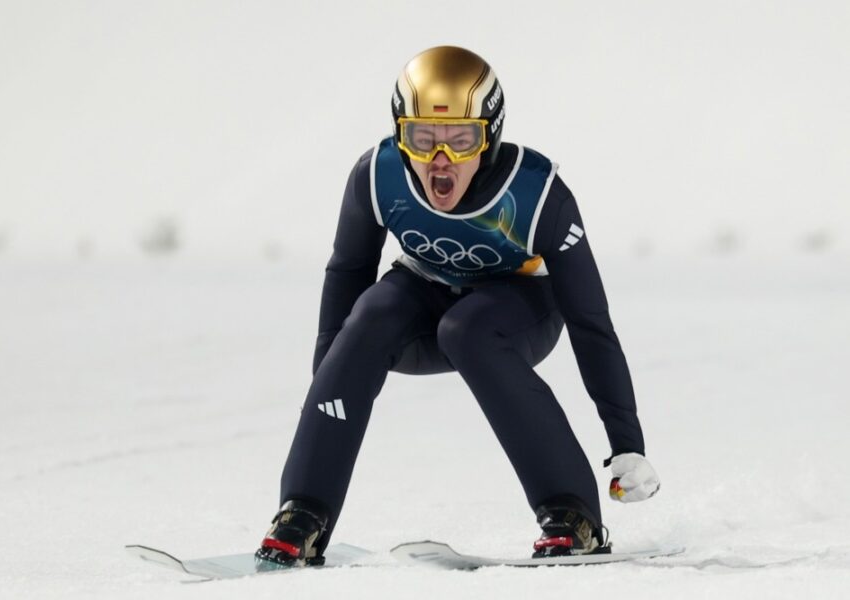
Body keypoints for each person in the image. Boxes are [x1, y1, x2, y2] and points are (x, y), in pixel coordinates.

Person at [254, 46, 660, 567]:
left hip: (518, 304)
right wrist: (328, 387)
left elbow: (590, 322)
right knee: (372, 314)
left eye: (460, 140)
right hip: (423, 290)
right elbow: (347, 274)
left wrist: (626, 442)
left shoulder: (538, 195)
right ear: (400, 135)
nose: (440, 161)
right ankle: (303, 513)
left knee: (466, 328)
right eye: (422, 139)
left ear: (489, 137)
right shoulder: (378, 174)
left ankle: (572, 512)